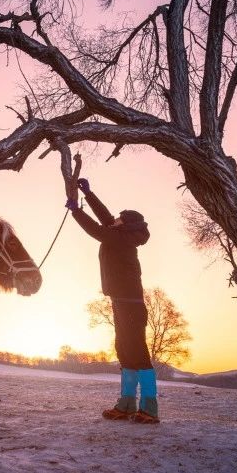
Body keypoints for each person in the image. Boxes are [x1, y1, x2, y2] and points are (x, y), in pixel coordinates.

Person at [66, 177, 159, 423]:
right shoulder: (119, 233)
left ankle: (150, 408)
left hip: (131, 304)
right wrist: (89, 194)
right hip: (121, 301)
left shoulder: (121, 239)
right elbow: (105, 218)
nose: (115, 219)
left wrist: (76, 212)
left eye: (120, 218)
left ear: (126, 224)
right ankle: (126, 404)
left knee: (138, 354)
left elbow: (97, 230)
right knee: (124, 352)